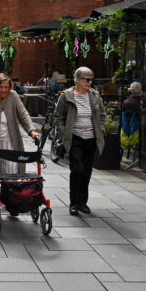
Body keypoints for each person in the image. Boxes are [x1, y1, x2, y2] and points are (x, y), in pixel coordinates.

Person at [53, 66, 106, 216]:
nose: (90, 82)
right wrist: (65, 134)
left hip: (91, 138)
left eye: (91, 79)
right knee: (78, 169)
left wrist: (101, 130)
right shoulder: (67, 96)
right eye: (87, 79)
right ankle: (73, 202)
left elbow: (102, 115)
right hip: (75, 138)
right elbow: (58, 117)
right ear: (77, 80)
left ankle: (83, 202)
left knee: (87, 171)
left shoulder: (95, 95)